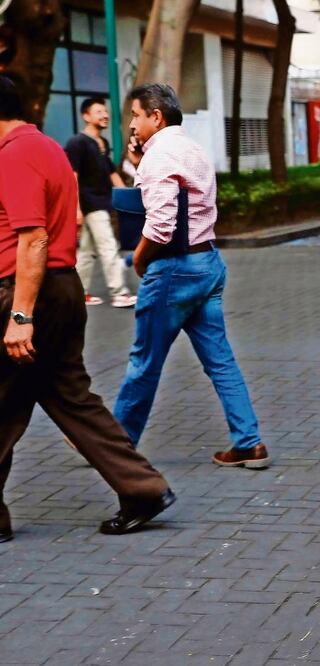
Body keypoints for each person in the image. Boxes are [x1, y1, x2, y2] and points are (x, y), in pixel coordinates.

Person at [0, 76, 175, 540]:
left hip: (26, 293)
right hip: (60, 288)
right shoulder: (47, 147)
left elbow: (33, 237)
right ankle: (143, 489)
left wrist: (20, 316)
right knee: (70, 400)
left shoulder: (14, 155)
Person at [113, 83, 270, 469]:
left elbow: (162, 224)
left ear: (156, 116)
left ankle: (113, 445)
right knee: (221, 361)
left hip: (173, 270)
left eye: (135, 115)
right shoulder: (191, 149)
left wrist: (138, 259)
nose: (132, 123)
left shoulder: (159, 157)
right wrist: (138, 160)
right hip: (208, 264)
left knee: (144, 362)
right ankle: (249, 443)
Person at [65, 97, 137, 308]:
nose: (105, 115)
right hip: (91, 205)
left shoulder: (102, 143)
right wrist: (76, 208)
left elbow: (111, 173)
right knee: (108, 246)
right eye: (98, 112)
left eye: (105, 111)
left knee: (86, 252)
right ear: (86, 116)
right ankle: (119, 292)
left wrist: (129, 199)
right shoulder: (77, 143)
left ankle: (79, 294)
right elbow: (73, 177)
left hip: (99, 203)